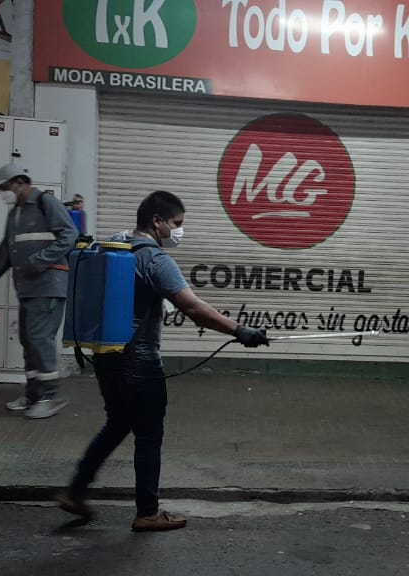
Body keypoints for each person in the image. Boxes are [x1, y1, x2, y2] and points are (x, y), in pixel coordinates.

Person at [57, 191, 269, 532]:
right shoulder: (155, 259)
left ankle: (76, 491)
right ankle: (148, 512)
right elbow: (192, 307)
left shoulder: (117, 245)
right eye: (177, 224)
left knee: (117, 424)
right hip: (140, 360)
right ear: (157, 221)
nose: (179, 231)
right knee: (149, 435)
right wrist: (239, 330)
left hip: (107, 356)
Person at [0, 163, 79, 419]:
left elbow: (69, 235)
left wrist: (39, 260)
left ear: (19, 182)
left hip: (48, 286)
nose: (2, 194)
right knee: (28, 341)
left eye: (3, 188)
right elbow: (4, 254)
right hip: (27, 289)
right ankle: (34, 395)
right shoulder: (15, 214)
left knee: (39, 339)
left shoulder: (46, 203)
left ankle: (48, 397)